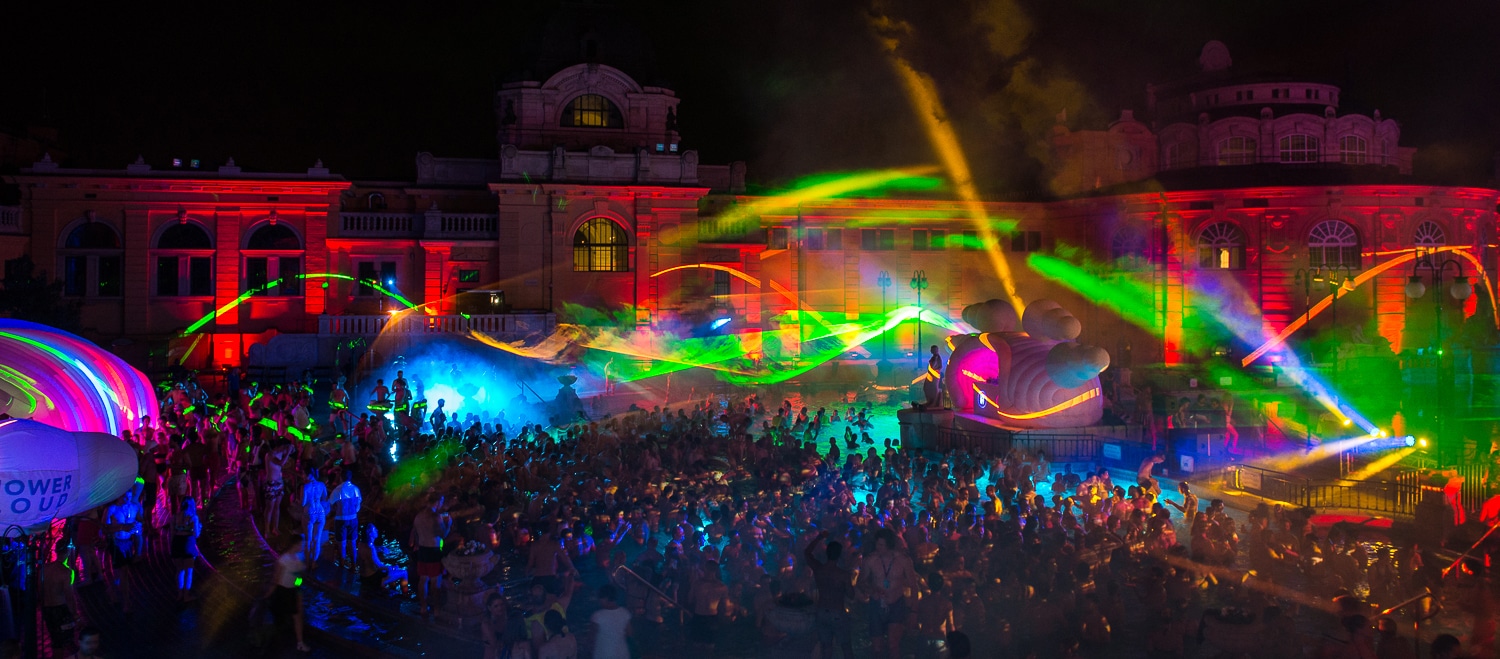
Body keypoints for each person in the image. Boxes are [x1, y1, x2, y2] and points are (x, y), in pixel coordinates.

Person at [858, 528, 916, 659]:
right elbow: (860, 582)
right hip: (876, 604)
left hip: (896, 604)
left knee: (893, 645)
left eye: (881, 545)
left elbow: (914, 586)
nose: (878, 548)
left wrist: (914, 611)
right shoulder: (870, 560)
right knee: (876, 648)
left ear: (889, 545)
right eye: (877, 544)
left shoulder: (903, 560)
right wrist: (872, 590)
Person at [805, 530, 854, 659]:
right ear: (839, 555)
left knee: (826, 647)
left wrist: (819, 537)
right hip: (837, 612)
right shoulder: (843, 575)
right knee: (846, 647)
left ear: (827, 553)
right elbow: (851, 595)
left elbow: (807, 553)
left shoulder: (819, 569)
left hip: (821, 611)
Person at [265, 534, 311, 653]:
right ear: (295, 545)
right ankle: (276, 644)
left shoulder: (299, 557)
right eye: (301, 544)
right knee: (282, 618)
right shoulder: (283, 560)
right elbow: (276, 579)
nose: (303, 546)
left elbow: (299, 577)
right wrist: (269, 594)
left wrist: (297, 590)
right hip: (282, 591)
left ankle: (299, 643)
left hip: (291, 591)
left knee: (296, 616)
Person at [410, 493, 452, 618]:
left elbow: (416, 533)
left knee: (423, 579)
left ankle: (423, 607)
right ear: (438, 501)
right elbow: (443, 534)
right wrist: (449, 524)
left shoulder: (419, 516)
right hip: (433, 550)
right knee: (435, 582)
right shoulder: (435, 516)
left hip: (422, 550)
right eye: (441, 502)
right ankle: (437, 610)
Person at [105, 490, 143, 614]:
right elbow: (104, 529)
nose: (127, 500)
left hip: (128, 543)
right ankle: (126, 603)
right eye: (125, 497)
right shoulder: (112, 509)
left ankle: (111, 592)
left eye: (129, 497)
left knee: (120, 573)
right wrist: (121, 527)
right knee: (124, 572)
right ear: (119, 496)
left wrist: (138, 525)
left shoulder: (134, 507)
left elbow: (140, 520)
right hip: (116, 543)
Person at [41, 541, 79, 656]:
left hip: (47, 609)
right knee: (67, 640)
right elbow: (69, 596)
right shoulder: (67, 572)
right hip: (60, 610)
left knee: (56, 640)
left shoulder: (44, 568)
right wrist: (75, 614)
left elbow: (39, 590)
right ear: (68, 552)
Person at [327, 470, 362, 569]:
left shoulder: (338, 490)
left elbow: (330, 503)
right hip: (353, 519)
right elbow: (358, 504)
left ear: (341, 477)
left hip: (341, 519)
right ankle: (354, 566)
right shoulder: (355, 489)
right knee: (353, 543)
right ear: (350, 477)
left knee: (342, 544)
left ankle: (342, 566)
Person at [171, 497, 202, 601]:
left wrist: (172, 547)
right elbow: (196, 534)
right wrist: (199, 528)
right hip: (188, 543)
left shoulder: (175, 517)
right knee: (189, 571)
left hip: (177, 543)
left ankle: (179, 594)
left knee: (179, 570)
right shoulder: (193, 517)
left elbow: (172, 534)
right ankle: (186, 595)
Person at [590, 584, 631, 659]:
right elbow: (629, 633)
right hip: (622, 654)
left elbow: (592, 639)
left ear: (605, 598)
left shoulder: (597, 616)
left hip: (603, 655)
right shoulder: (624, 613)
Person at [301, 467, 330, 568]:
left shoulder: (305, 487)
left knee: (308, 539)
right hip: (320, 512)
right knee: (317, 539)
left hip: (310, 512)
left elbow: (303, 503)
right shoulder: (322, 485)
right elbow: (325, 498)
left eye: (304, 474)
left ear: (309, 475)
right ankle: (314, 563)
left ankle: (307, 563)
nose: (303, 476)